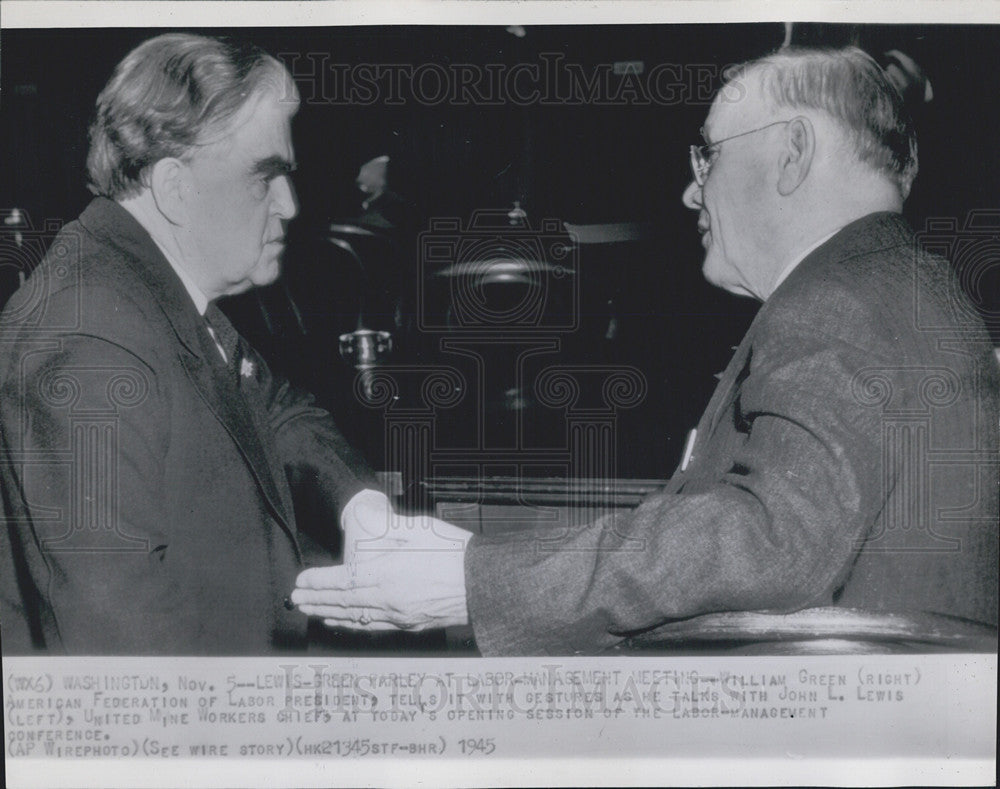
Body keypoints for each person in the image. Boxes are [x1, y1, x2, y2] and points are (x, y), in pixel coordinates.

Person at [292, 46, 1000, 655]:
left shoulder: (839, 304)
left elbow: (768, 540)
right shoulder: (897, 288)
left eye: (709, 155)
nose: (692, 191)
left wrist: (475, 582)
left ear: (792, 152)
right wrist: (484, 566)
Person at [0, 34, 381, 654]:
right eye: (266, 178)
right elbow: (121, 655)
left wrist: (358, 504)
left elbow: (272, 404)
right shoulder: (87, 343)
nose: (289, 204)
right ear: (177, 189)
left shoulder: (147, 282)